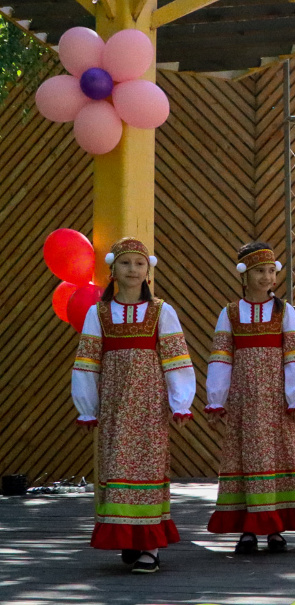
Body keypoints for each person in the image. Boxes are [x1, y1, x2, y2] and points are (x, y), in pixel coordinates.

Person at [70, 238, 195, 573]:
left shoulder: (161, 311)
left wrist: (180, 402)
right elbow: (87, 362)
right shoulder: (99, 312)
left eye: (140, 264)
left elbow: (176, 359)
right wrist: (87, 406)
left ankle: (150, 546)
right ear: (112, 269)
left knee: (149, 467)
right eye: (126, 263)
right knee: (116, 467)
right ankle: (128, 536)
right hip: (114, 405)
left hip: (150, 406)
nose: (133, 270)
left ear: (148, 270)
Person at [204, 242, 295, 552]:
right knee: (246, 459)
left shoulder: (285, 311)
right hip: (243, 402)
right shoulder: (230, 313)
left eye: (271, 271)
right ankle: (248, 529)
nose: (267, 277)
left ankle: (276, 529)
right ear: (244, 274)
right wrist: (216, 399)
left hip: (276, 402)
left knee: (277, 456)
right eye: (259, 271)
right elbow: (221, 358)